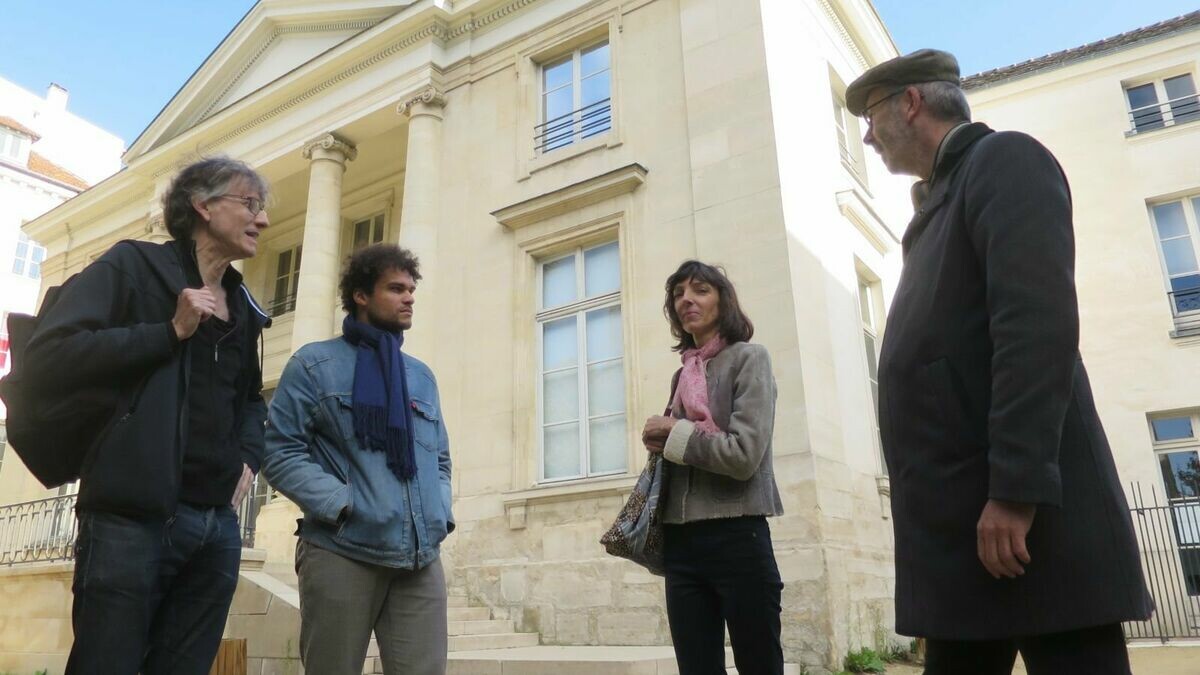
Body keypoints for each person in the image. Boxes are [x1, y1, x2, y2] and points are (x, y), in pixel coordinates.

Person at [845, 49, 1153, 674]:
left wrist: (1015, 489)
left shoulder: (1004, 161)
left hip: (1023, 526)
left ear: (912, 102)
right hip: (960, 533)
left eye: (873, 116)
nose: (867, 135)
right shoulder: (934, 207)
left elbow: (1035, 328)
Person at [24, 157, 272, 674]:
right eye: (249, 204)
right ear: (202, 206)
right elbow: (51, 354)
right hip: (129, 517)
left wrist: (249, 455)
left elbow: (249, 397)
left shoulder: (244, 304)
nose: (262, 219)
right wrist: (168, 331)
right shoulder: (132, 265)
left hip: (216, 526)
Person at [262, 243, 454, 675]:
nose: (409, 298)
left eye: (411, 289)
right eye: (396, 288)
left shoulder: (420, 376)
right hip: (342, 550)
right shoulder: (314, 365)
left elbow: (440, 459)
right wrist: (343, 504)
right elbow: (279, 451)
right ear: (362, 296)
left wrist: (439, 511)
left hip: (419, 558)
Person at [641, 260, 785, 675]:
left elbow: (743, 456)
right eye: (679, 293)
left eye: (700, 290)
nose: (687, 299)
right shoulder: (683, 373)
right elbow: (684, 447)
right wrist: (660, 442)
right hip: (682, 545)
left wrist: (675, 433)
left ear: (723, 301)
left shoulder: (750, 360)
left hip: (737, 535)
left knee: (760, 666)